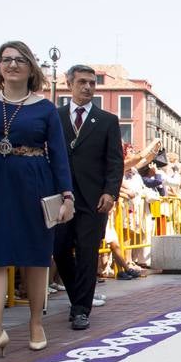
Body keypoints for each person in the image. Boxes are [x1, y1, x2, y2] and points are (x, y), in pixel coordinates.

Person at [0, 40, 74, 362]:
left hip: (34, 179)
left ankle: (36, 322)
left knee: (35, 254)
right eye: (6, 59)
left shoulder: (45, 108)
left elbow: (59, 155)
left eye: (20, 59)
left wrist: (67, 195)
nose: (12, 64)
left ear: (31, 67)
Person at [54, 64, 123, 330]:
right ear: (69, 84)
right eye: (82, 82)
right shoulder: (55, 117)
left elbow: (115, 161)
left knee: (86, 252)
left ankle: (82, 309)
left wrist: (110, 192)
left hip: (94, 199)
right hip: (61, 197)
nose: (88, 87)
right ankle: (77, 298)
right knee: (59, 250)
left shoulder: (107, 120)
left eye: (92, 83)